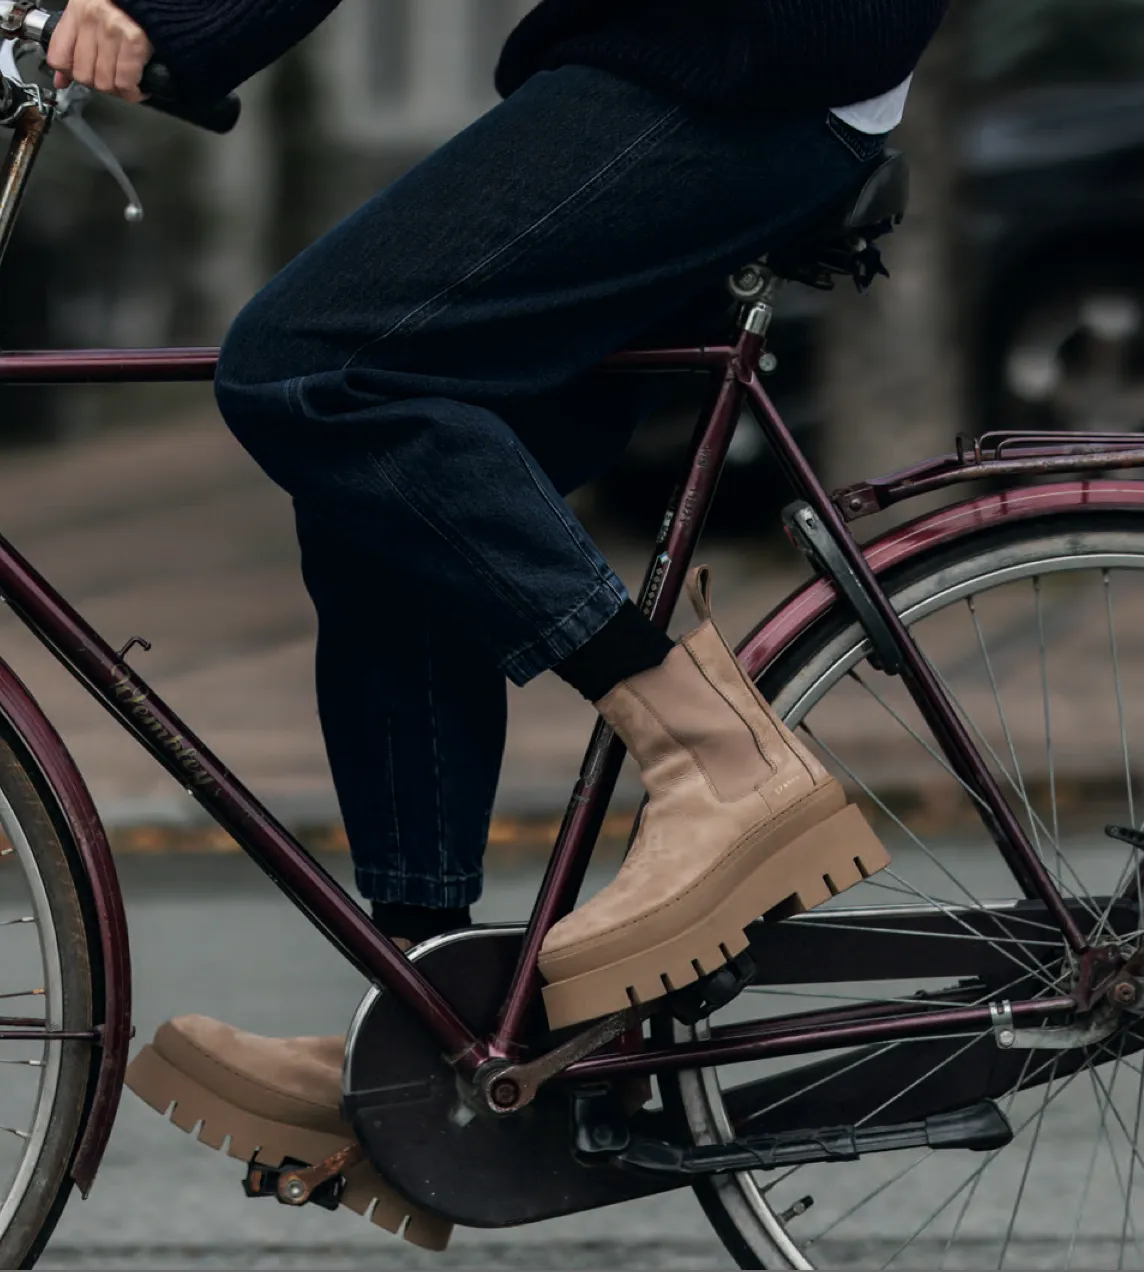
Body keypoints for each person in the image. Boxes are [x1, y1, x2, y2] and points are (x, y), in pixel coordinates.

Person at [48, 0, 949, 1248]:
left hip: (756, 56)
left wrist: (174, 26)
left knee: (318, 367)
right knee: (374, 475)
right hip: (720, 58)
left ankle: (716, 756)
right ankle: (437, 1019)